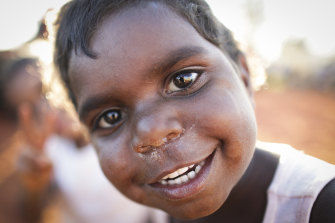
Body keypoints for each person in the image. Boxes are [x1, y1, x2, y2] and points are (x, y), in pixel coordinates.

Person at [53, 0, 335, 222]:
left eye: (183, 80)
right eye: (110, 117)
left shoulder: (323, 207)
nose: (151, 133)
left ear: (244, 76)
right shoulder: (153, 209)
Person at [0, 52, 165, 223]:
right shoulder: (50, 153)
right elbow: (34, 215)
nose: (45, 110)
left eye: (44, 91)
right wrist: (35, 186)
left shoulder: (124, 124)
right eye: (32, 110)